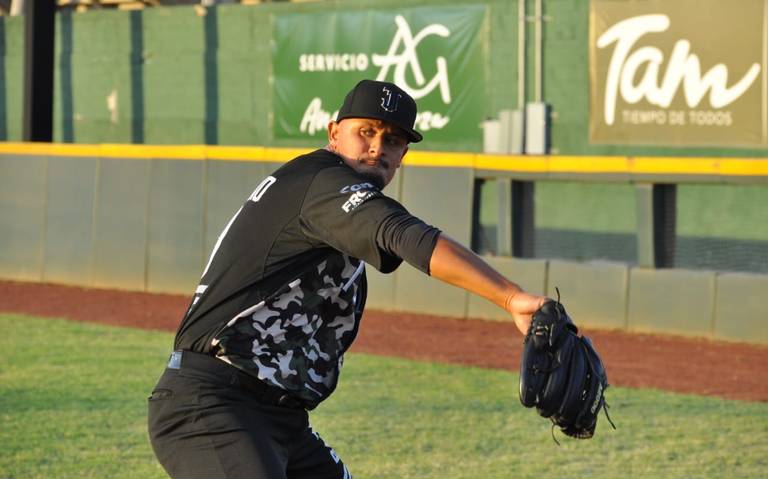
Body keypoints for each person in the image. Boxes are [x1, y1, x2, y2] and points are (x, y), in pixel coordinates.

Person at [147, 79, 548, 479]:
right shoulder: (322, 184)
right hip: (213, 404)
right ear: (334, 133)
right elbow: (403, 234)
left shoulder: (332, 199)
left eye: (392, 140)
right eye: (366, 132)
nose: (377, 147)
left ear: (403, 153)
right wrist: (511, 298)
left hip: (278, 418)